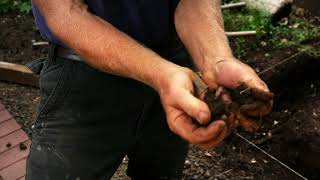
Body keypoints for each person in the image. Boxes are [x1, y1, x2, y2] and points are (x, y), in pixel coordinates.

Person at [27, 0, 273, 179]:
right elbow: (65, 12)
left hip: (173, 63)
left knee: (161, 171)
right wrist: (160, 74)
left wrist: (217, 60)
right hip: (82, 68)